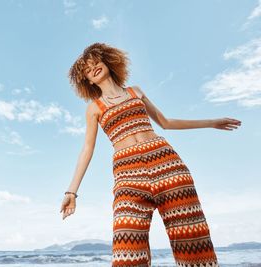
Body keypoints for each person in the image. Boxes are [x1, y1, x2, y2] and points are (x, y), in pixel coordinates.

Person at [60, 42, 241, 266]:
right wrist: (72, 191)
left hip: (168, 166)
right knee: (127, 254)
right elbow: (88, 148)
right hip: (128, 175)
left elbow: (165, 122)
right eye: (87, 69)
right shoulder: (94, 108)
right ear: (87, 80)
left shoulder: (136, 91)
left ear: (107, 62)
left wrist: (212, 122)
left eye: (95, 62)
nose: (93, 68)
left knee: (193, 246)